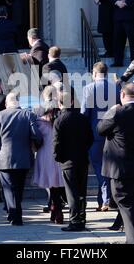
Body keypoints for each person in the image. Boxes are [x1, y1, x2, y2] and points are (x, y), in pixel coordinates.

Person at [98, 83, 134, 244]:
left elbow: (100, 129)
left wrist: (111, 111)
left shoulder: (117, 113)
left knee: (125, 204)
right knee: (132, 205)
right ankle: (132, 239)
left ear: (122, 95)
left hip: (120, 168)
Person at [0, 93, 43, 226]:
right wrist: (35, 148)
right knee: (18, 188)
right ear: (18, 103)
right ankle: (14, 214)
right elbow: (37, 135)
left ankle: (14, 215)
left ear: (6, 104)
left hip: (4, 158)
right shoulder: (28, 115)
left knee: (8, 188)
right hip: (23, 158)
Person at [81, 62, 120, 212]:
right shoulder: (115, 88)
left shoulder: (88, 88)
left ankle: (106, 199)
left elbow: (85, 113)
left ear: (94, 73)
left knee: (99, 167)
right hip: (112, 133)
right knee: (108, 166)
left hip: (95, 132)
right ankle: (102, 199)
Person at [54, 92, 94, 232]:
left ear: (59, 104)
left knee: (71, 192)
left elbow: (56, 143)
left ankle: (75, 220)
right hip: (82, 159)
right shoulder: (82, 118)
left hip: (67, 161)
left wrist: (58, 157)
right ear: (71, 102)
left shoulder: (59, 120)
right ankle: (82, 218)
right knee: (81, 191)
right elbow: (90, 138)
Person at [33, 86, 65, 224]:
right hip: (59, 150)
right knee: (58, 184)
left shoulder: (37, 111)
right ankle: (57, 209)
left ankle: (55, 209)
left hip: (45, 151)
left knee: (52, 184)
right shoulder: (61, 111)